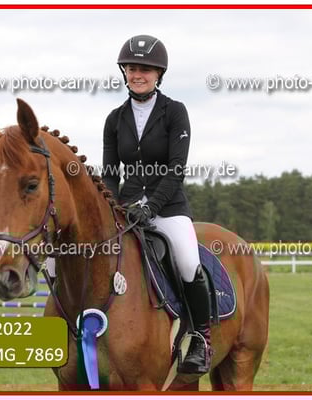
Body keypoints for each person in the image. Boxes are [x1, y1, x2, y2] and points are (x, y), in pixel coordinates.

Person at [102, 34, 211, 374]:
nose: (138, 75)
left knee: (188, 261)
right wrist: (112, 206)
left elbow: (176, 169)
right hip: (127, 211)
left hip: (168, 208)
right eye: (132, 69)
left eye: (145, 70)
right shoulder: (114, 119)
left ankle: (200, 338)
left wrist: (151, 207)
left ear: (158, 74)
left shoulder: (175, 112)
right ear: (124, 72)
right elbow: (110, 173)